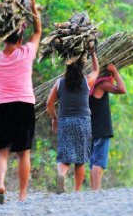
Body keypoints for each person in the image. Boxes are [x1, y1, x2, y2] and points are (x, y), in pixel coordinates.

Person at [0, 0, 41, 203]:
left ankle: (0, 184)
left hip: (1, 105)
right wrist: (33, 8)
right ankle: (22, 194)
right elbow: (38, 32)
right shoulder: (26, 53)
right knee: (23, 153)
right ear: (19, 38)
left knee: (2, 152)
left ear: (2, 36)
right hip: (24, 105)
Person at [46, 50, 99, 194]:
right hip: (83, 122)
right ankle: (77, 191)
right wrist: (93, 53)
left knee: (64, 155)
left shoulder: (59, 83)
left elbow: (49, 104)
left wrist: (54, 118)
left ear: (67, 67)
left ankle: (61, 175)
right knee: (80, 159)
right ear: (81, 67)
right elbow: (96, 70)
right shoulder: (87, 80)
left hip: (65, 121)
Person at [89, 63, 127, 191]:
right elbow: (122, 89)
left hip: (90, 128)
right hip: (101, 129)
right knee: (98, 161)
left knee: (93, 160)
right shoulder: (101, 84)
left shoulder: (88, 84)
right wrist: (116, 72)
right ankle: (96, 191)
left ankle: (93, 190)